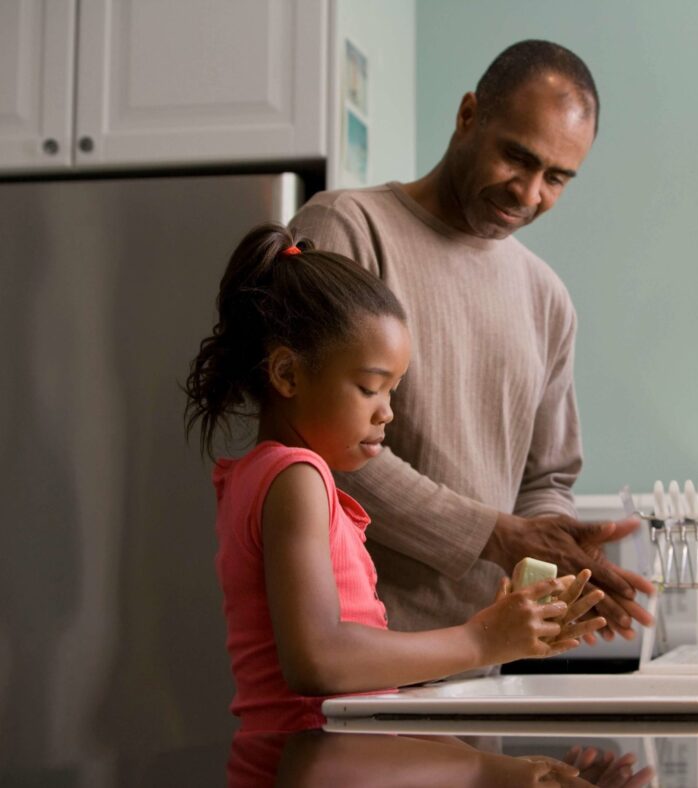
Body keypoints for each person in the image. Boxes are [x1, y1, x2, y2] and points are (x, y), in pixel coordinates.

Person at [290, 39, 654, 644]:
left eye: (557, 178)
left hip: (480, 659)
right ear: (467, 117)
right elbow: (316, 443)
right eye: (517, 157)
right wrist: (497, 535)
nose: (529, 193)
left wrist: (555, 555)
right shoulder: (346, 230)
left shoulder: (547, 298)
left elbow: (546, 480)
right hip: (352, 653)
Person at [184, 223, 605, 732]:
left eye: (393, 392)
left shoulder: (262, 474)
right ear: (288, 375)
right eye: (369, 388)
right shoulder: (297, 477)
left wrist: (497, 633)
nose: (387, 414)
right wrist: (480, 640)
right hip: (305, 764)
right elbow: (320, 659)